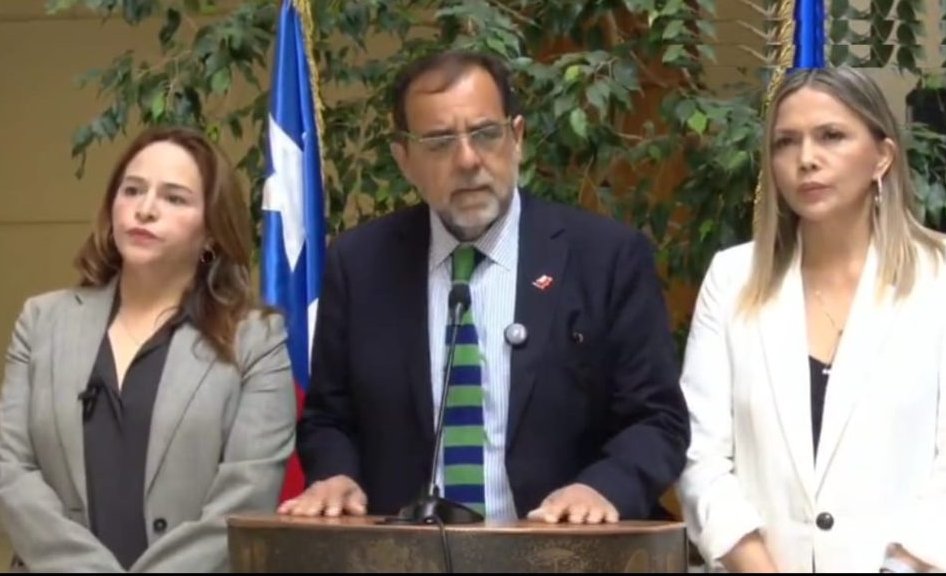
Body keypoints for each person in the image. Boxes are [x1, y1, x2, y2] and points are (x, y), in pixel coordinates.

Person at [278, 50, 690, 524]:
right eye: (439, 142)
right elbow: (329, 418)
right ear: (404, 160)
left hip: (563, 548)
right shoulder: (361, 264)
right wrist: (336, 474)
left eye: (486, 134)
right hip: (408, 551)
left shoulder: (604, 258)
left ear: (517, 138)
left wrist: (602, 489)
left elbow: (658, 419)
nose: (468, 160)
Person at [677, 66, 946, 572]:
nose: (806, 159)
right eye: (786, 142)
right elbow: (700, 456)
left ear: (883, 156)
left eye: (831, 136)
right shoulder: (732, 279)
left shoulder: (938, 279)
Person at [0, 126, 297, 571]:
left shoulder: (256, 339)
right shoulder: (42, 321)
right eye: (133, 190)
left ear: (212, 232)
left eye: (174, 198)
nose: (145, 209)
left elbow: (246, 497)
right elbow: (11, 470)